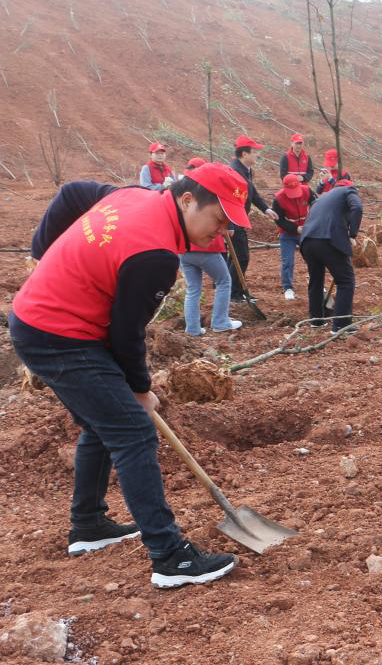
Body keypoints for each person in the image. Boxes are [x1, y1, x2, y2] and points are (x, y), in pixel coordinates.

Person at [8, 163, 248, 587]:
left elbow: (74, 191)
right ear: (187, 200)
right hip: (58, 336)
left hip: (43, 321)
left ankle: (88, 525)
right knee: (133, 431)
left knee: (103, 423)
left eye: (230, 225)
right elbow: (126, 334)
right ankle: (170, 557)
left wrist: (42, 254)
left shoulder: (134, 195)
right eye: (219, 219)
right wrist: (140, 389)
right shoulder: (155, 256)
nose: (223, 232)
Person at [180, 158, 240, 335]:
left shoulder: (182, 194)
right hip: (206, 248)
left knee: (193, 289)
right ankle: (220, 322)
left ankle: (192, 328)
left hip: (184, 249)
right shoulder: (209, 193)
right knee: (224, 281)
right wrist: (228, 226)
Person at [299, 177, 361, 332]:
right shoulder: (349, 190)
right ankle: (341, 325)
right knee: (345, 281)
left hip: (307, 241)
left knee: (316, 280)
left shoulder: (323, 197)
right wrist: (352, 235)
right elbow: (357, 208)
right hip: (327, 240)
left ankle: (316, 320)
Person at [226, 134, 279, 302]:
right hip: (234, 220)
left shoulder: (246, 170)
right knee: (241, 257)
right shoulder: (235, 172)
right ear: (244, 154)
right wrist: (230, 224)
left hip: (239, 219)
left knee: (235, 257)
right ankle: (233, 293)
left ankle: (233, 290)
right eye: (254, 152)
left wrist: (266, 209)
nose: (258, 155)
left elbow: (252, 193)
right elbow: (229, 199)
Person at [275, 173, 315, 301]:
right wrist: (294, 228)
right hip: (287, 233)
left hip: (306, 231)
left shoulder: (307, 191)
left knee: (313, 258)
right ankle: (288, 288)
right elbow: (279, 220)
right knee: (288, 261)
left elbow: (317, 205)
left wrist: (311, 223)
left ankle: (315, 282)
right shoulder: (278, 198)